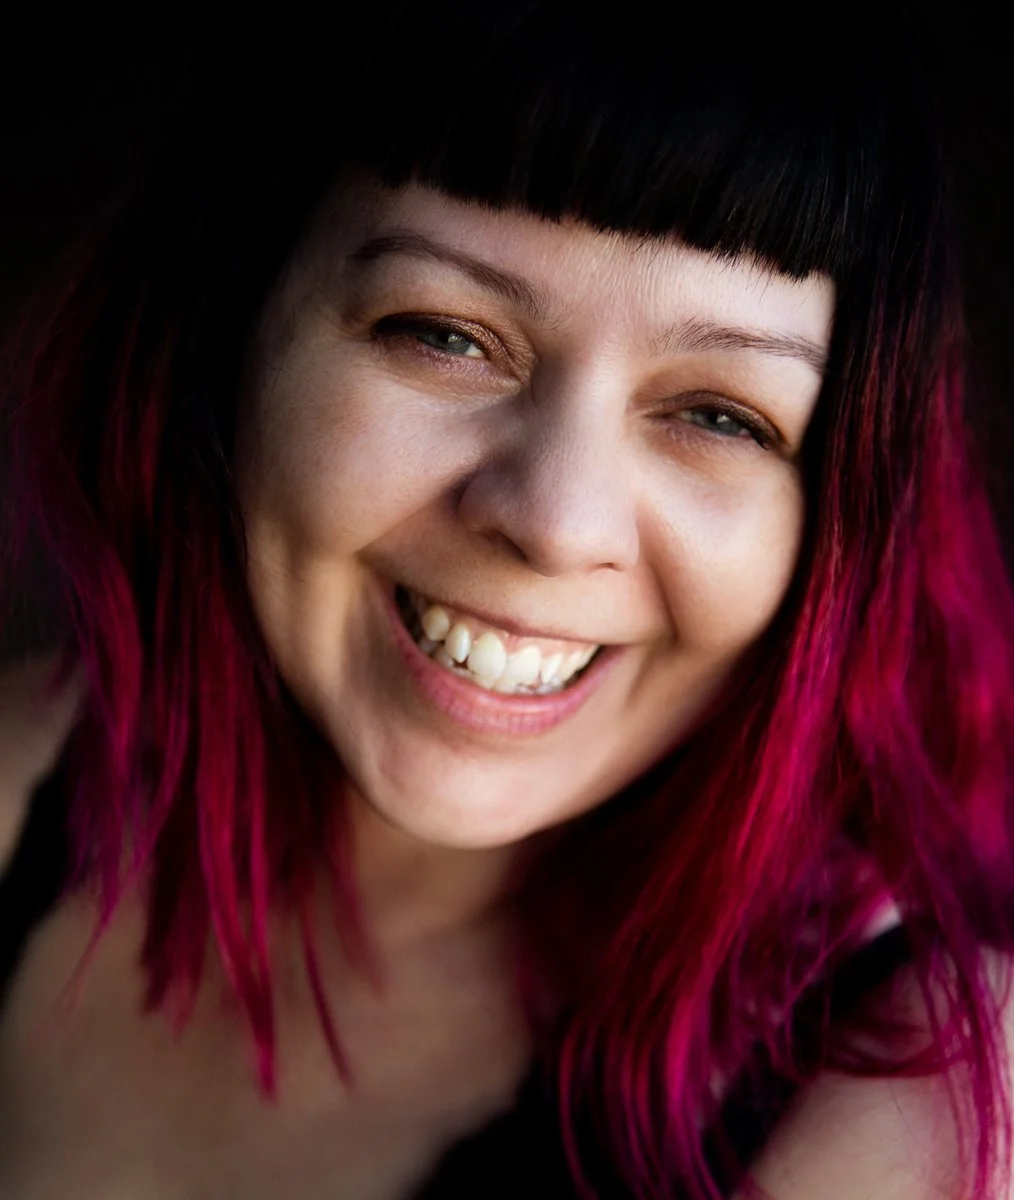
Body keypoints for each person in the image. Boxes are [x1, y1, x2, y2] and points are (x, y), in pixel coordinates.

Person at [2, 4, 1013, 1197]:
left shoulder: (939, 1093)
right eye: (444, 335)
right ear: (232, 325)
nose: (553, 521)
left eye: (719, 416)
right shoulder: (23, 778)